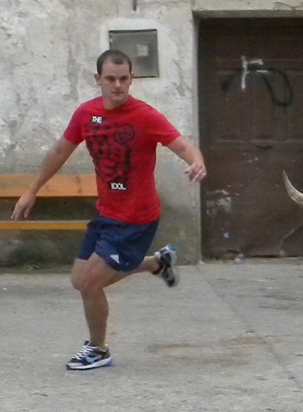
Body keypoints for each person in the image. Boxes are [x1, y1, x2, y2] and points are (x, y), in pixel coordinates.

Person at [12, 49, 207, 370]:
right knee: (80, 280)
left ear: (131, 79)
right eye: (110, 79)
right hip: (107, 214)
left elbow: (184, 146)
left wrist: (197, 162)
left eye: (124, 79)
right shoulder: (86, 114)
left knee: (90, 283)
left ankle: (98, 349)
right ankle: (157, 263)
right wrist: (32, 190)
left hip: (136, 218)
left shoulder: (145, 116)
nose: (118, 85)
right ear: (98, 80)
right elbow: (61, 150)